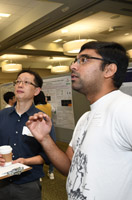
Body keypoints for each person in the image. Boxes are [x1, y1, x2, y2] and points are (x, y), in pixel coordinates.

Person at [26, 41, 131, 200]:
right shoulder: (85, 118)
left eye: (84, 60)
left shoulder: (125, 108)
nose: (73, 66)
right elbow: (70, 166)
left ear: (109, 69)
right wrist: (45, 139)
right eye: (75, 60)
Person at [0, 70, 56, 200]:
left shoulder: (41, 120)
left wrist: (25, 161)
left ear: (36, 91)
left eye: (26, 82)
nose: (20, 85)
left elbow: (47, 155)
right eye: (18, 81)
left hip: (28, 184)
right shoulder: (1, 116)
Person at [34, 91, 56, 180]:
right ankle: (51, 172)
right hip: (50, 129)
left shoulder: (35, 108)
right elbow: (54, 110)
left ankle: (39, 175)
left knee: (39, 150)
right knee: (51, 150)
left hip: (39, 130)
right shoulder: (49, 106)